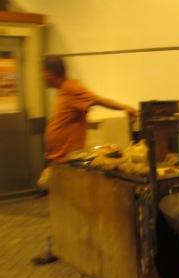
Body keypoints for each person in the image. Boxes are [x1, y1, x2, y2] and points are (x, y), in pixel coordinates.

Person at [33, 55, 138, 264]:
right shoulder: (63, 90)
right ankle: (63, 247)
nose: (41, 77)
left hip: (67, 163)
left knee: (67, 208)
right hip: (58, 160)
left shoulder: (71, 88)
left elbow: (97, 99)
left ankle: (65, 248)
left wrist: (126, 108)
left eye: (42, 73)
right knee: (63, 208)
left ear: (50, 73)